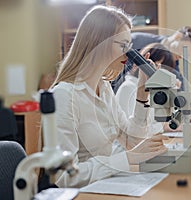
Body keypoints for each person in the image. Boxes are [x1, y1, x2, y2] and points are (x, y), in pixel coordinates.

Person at [50, 5, 168, 188]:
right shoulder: (64, 96)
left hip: (105, 185)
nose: (129, 55)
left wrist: (142, 93)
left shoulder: (104, 89)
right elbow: (64, 178)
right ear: (99, 43)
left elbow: (131, 141)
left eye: (129, 46)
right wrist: (126, 159)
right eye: (123, 46)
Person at [115, 43, 181, 135]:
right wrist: (163, 127)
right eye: (158, 68)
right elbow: (131, 132)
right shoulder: (128, 89)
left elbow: (165, 117)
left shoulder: (153, 91)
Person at [112, 26, 191, 92]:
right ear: (178, 37)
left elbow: (182, 91)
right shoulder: (137, 40)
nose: (184, 56)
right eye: (185, 49)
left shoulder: (174, 64)